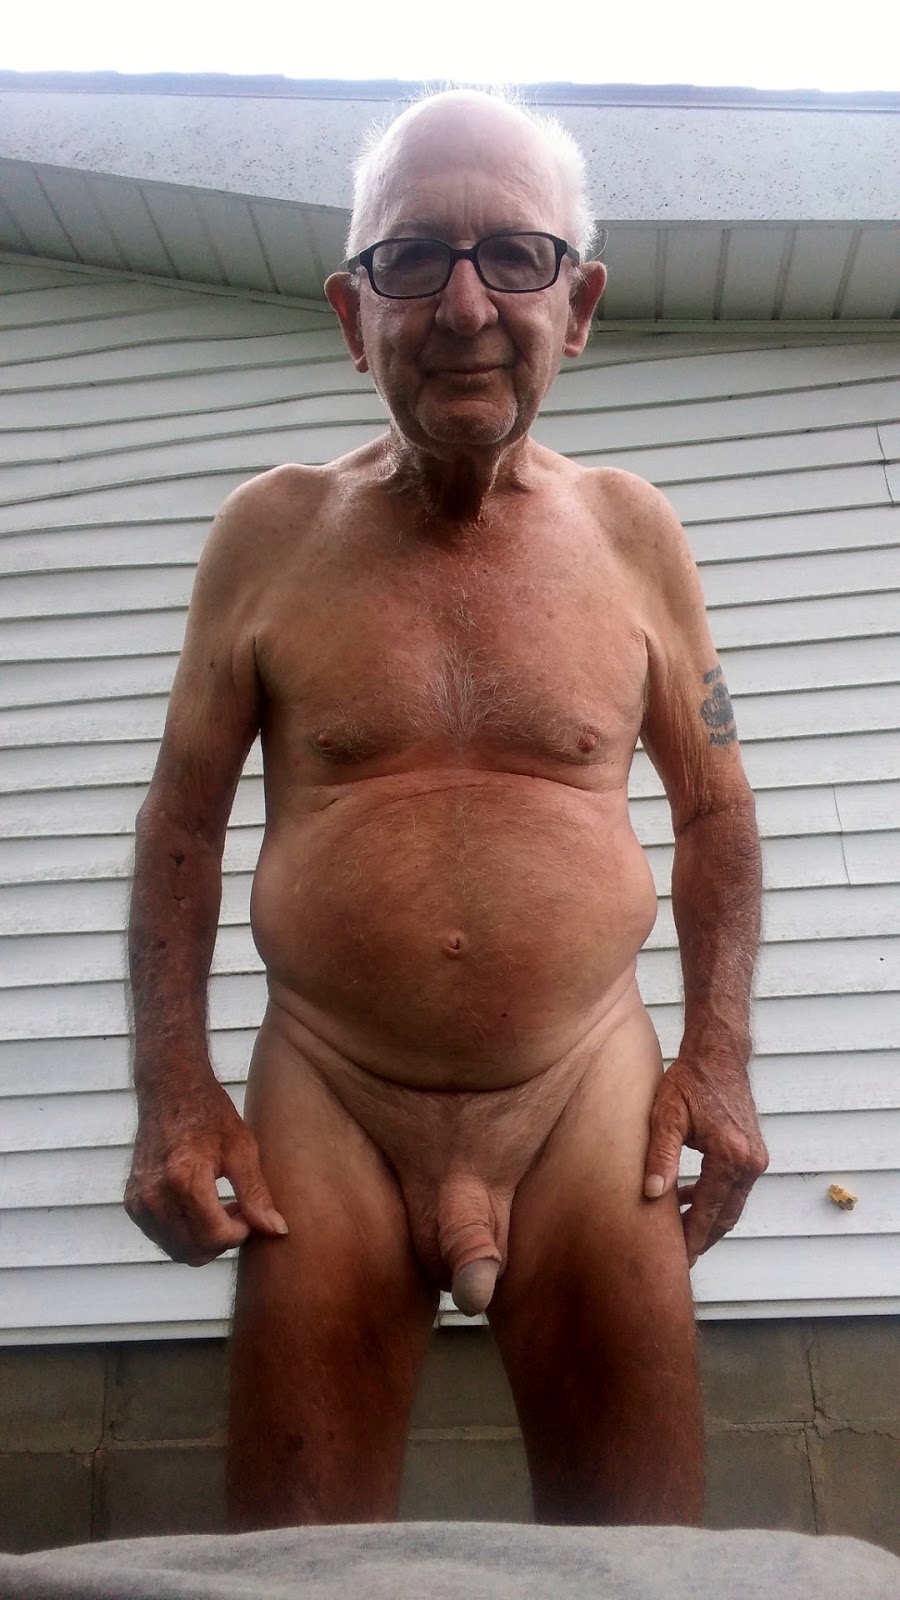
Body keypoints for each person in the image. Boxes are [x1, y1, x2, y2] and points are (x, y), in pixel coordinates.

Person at [124, 89, 767, 1531]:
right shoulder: (268, 536)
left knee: (641, 1562)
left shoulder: (635, 536)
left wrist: (720, 1058)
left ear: (577, 306)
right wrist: (174, 1089)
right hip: (330, 1102)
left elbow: (717, 813)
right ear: (353, 317)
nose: (465, 306)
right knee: (295, 1565)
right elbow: (181, 824)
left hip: (587, 1096)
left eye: (516, 256)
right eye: (411, 259)